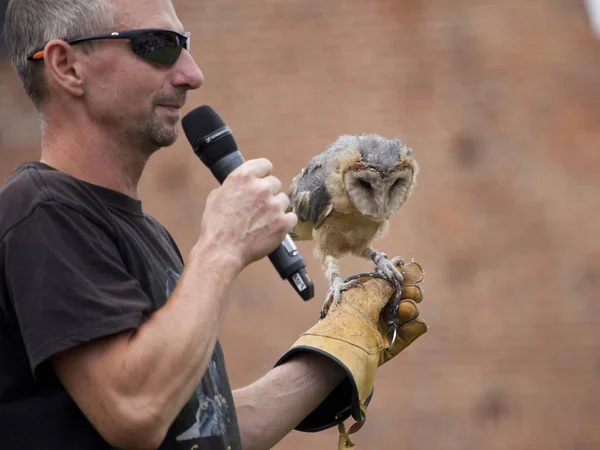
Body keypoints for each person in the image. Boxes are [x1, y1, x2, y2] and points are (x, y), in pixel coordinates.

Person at [0, 1, 427, 449]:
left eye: (186, 45)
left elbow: (202, 428)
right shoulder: (42, 212)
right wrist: (223, 244)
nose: (192, 73)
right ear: (66, 66)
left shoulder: (145, 232)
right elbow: (135, 410)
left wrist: (340, 348)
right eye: (159, 45)